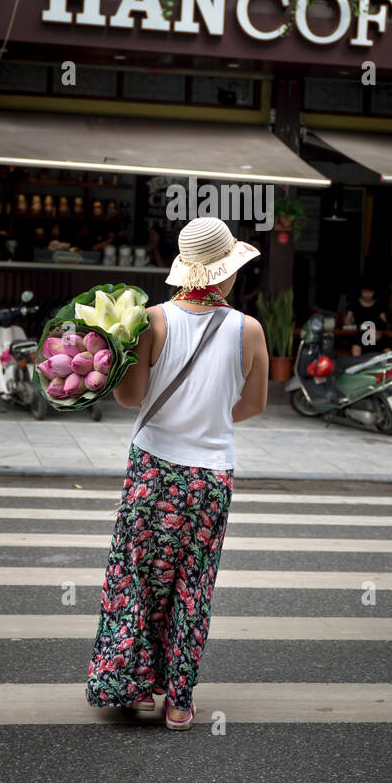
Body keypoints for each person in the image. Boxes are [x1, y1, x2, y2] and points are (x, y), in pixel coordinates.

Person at [85, 217, 269, 730]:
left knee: (137, 578)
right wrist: (206, 419)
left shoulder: (151, 321)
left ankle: (136, 688)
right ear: (227, 274)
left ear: (185, 270)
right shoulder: (249, 329)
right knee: (192, 582)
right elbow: (253, 404)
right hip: (211, 476)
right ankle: (180, 701)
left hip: (152, 469)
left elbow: (128, 398)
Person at [344, 281, 389, 358]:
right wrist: (356, 326)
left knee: (384, 343)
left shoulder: (378, 305)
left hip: (376, 334)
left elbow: (384, 322)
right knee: (357, 344)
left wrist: (376, 331)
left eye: (370, 292)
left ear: (374, 292)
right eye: (364, 292)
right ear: (360, 291)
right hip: (359, 333)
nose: (367, 294)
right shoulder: (354, 304)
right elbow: (347, 321)